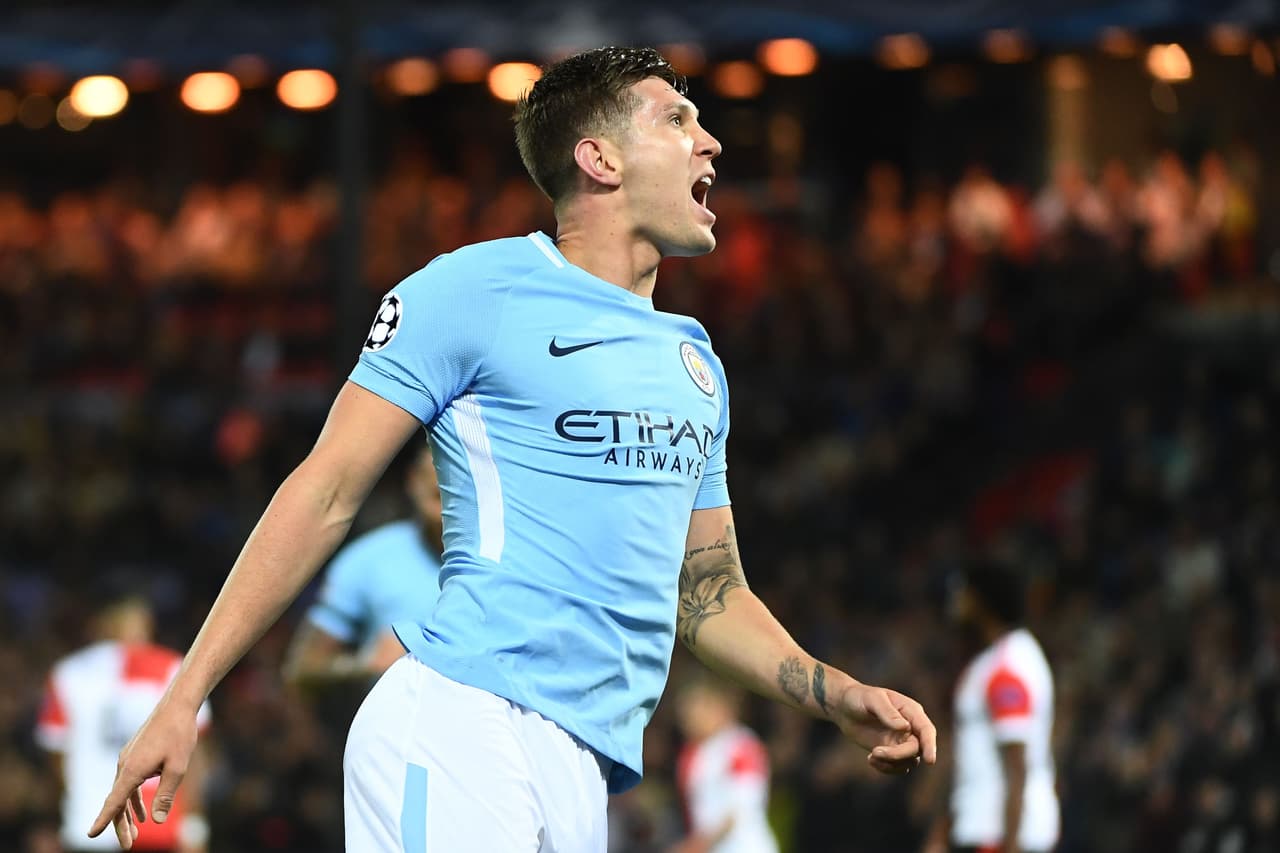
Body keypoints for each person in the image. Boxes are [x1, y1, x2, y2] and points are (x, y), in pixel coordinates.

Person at [90, 46, 936, 852]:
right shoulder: (470, 290)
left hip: (583, 762)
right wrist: (185, 693)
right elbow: (325, 490)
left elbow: (708, 591)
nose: (710, 140)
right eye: (677, 120)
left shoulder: (696, 363)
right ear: (599, 159)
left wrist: (836, 693)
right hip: (461, 718)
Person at [38, 595, 211, 853]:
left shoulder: (68, 673)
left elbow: (56, 754)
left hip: (91, 820)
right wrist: (194, 823)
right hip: (157, 820)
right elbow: (193, 754)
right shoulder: (175, 669)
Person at [282, 444, 444, 689]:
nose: (446, 506)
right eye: (437, 494)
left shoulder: (513, 560)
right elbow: (302, 668)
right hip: (395, 722)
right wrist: (366, 664)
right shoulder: (365, 561)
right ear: (414, 481)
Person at [923, 562, 1058, 853]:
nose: (956, 602)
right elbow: (971, 757)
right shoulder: (989, 661)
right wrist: (940, 833)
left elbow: (1017, 764)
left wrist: (1011, 846)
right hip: (982, 832)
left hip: (1002, 839)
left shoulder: (1009, 665)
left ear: (981, 600)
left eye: (963, 593)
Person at [672, 675, 778, 853]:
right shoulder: (691, 754)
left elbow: (741, 808)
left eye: (697, 708)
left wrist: (696, 845)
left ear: (718, 707)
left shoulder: (742, 745)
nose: (689, 718)